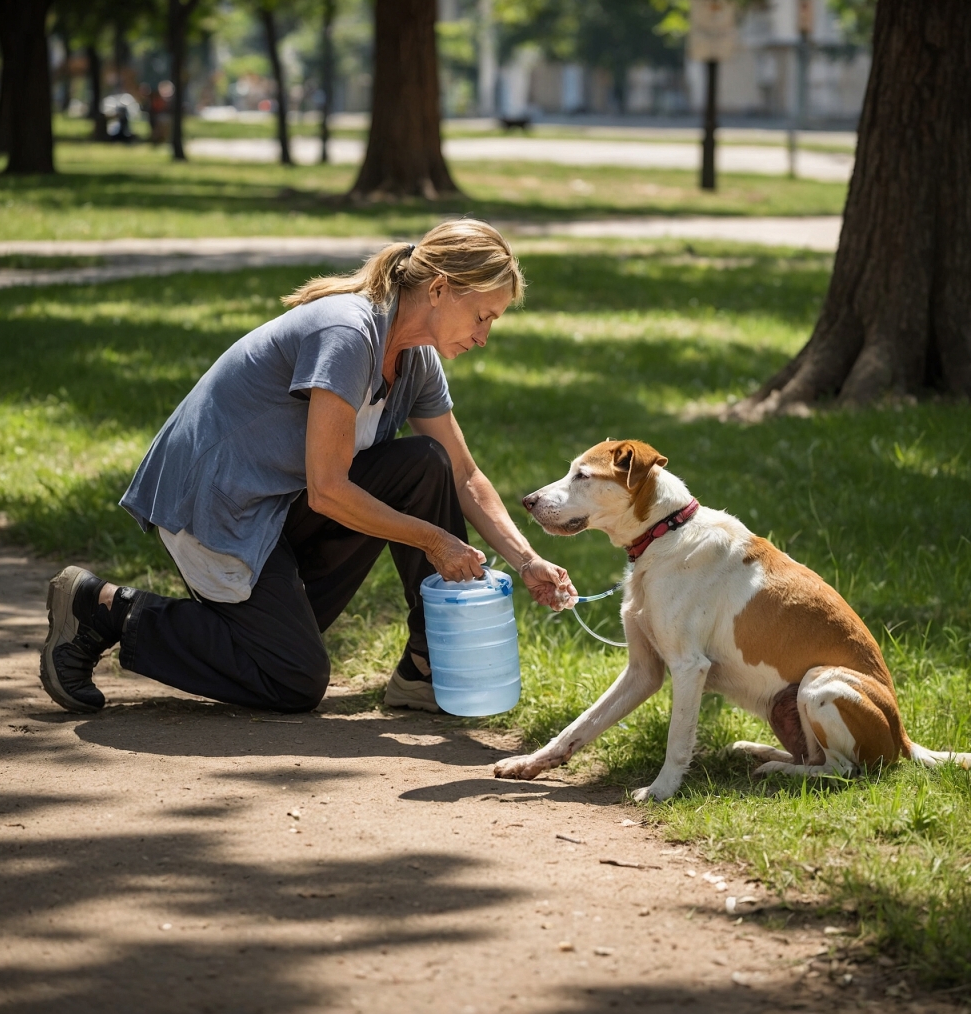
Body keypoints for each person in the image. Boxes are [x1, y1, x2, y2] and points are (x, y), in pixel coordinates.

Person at [39, 219, 576, 717]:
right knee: (292, 676)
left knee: (426, 464)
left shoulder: (417, 358)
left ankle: (425, 669)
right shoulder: (347, 332)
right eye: (483, 316)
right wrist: (435, 541)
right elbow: (327, 490)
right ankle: (103, 607)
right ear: (438, 290)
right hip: (220, 505)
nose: (484, 336)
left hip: (284, 507)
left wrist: (527, 560)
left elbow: (463, 474)